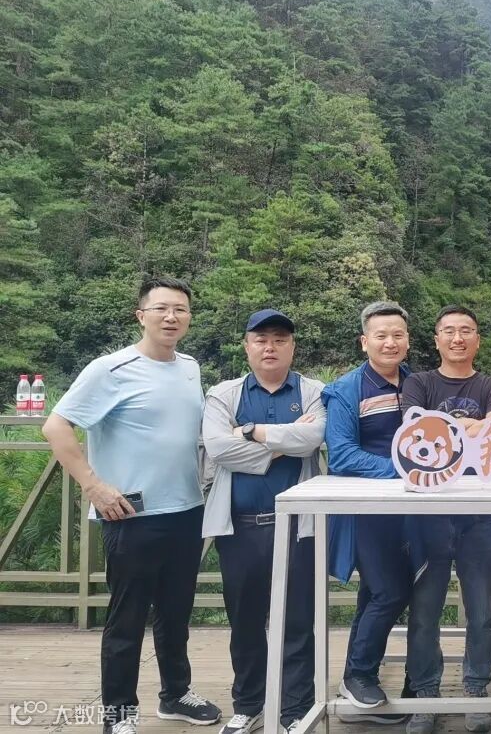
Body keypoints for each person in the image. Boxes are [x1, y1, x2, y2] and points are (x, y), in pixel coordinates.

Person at [42, 277, 221, 734]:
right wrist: (94, 487)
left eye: (180, 309)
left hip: (186, 510)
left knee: (176, 614)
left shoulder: (190, 367)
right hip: (130, 515)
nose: (171, 317)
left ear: (189, 317)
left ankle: (176, 695)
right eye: (161, 308)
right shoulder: (110, 369)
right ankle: (118, 714)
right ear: (141, 315)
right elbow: (56, 427)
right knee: (127, 618)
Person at [201, 309, 327, 734]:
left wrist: (250, 431)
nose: (270, 347)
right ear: (247, 346)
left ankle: (295, 711)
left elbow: (313, 437)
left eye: (279, 339)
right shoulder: (224, 393)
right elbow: (219, 449)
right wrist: (282, 442)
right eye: (261, 339)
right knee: (245, 620)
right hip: (239, 526)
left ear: (292, 346)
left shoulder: (313, 391)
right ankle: (249, 704)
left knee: (298, 621)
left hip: (298, 526)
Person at [398, 305, 491, 734]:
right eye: (449, 331)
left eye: (466, 331)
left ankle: (475, 689)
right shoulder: (419, 382)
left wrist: (448, 426)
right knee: (423, 612)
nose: (458, 338)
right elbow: (414, 427)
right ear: (436, 339)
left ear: (478, 339)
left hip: (480, 510)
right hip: (427, 513)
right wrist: (468, 425)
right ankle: (425, 693)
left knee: (482, 610)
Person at [323, 301, 414, 718]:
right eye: (381, 335)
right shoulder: (347, 389)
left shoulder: (417, 383)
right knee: (389, 591)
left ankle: (357, 679)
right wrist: (404, 469)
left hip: (411, 511)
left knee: (377, 592)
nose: (390, 342)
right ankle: (359, 674)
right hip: (367, 511)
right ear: (365, 342)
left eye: (398, 334)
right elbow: (341, 454)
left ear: (408, 340)